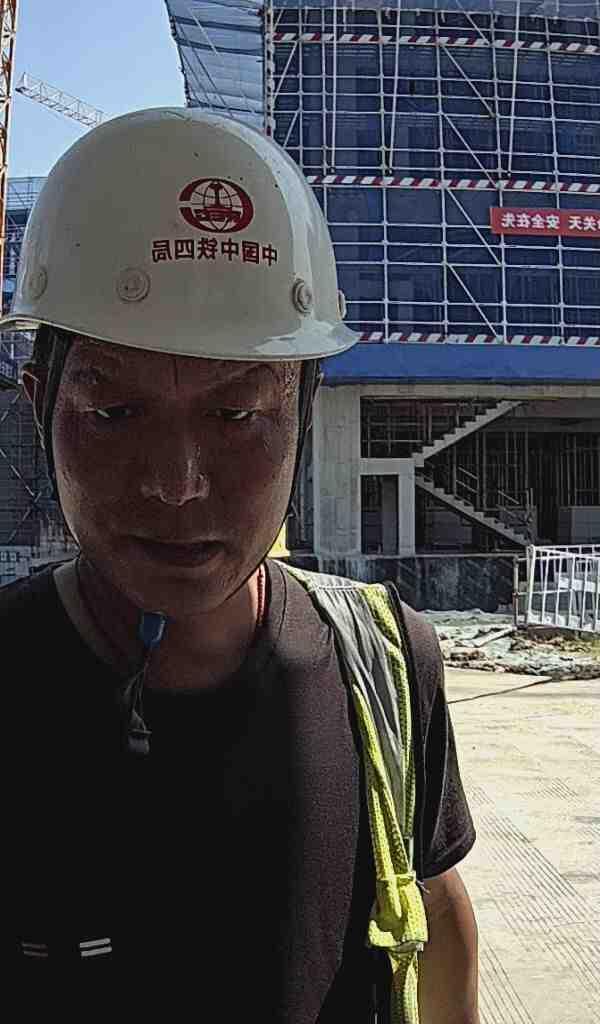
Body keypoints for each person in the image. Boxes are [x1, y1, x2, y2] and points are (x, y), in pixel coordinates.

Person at [2, 108, 478, 1022]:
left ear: (303, 412)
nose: (178, 484)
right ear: (40, 404)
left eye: (237, 416)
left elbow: (439, 909)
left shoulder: (386, 664)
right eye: (114, 413)